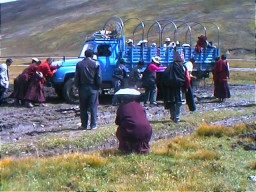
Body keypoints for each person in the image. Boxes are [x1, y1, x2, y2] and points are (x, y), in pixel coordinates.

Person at [114, 88, 152, 153]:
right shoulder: (139, 105)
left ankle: (127, 149)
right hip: (147, 131)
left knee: (120, 131)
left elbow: (117, 122)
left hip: (131, 132)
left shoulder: (122, 107)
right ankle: (142, 148)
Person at [74, 49, 101, 130]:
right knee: (93, 106)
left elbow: (76, 77)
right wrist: (98, 86)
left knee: (83, 107)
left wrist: (78, 86)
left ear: (85, 55)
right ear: (92, 55)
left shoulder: (79, 64)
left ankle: (84, 125)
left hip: (82, 87)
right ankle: (93, 125)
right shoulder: (96, 63)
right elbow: (98, 77)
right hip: (93, 87)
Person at [161, 52, 190, 123]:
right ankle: (177, 118)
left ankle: (172, 116)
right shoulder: (183, 67)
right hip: (178, 87)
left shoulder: (169, 66)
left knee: (172, 101)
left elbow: (164, 76)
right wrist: (186, 86)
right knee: (179, 102)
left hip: (169, 87)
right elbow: (187, 78)